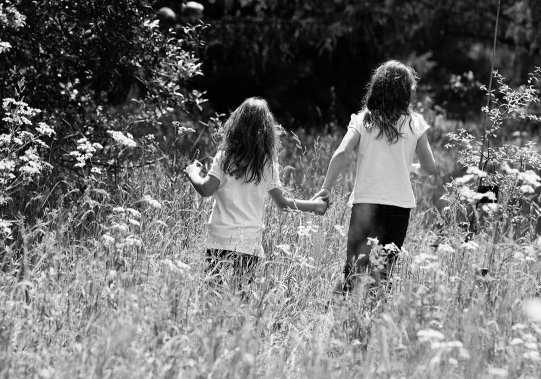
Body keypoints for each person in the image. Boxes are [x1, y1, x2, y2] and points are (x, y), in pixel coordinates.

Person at [312, 60, 437, 293]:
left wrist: (327, 187)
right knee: (383, 274)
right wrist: (410, 168)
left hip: (365, 204)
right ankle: (375, 323)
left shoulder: (363, 120)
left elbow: (341, 153)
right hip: (398, 207)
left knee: (354, 270)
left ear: (376, 88)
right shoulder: (415, 123)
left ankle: (345, 321)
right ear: (406, 93)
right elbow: (430, 168)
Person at [185, 97, 327, 285]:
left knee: (213, 293)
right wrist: (315, 205)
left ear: (235, 125)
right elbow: (282, 204)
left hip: (219, 239)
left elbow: (205, 190)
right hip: (248, 244)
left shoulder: (225, 158)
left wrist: (192, 172)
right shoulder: (267, 164)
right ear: (267, 132)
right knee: (241, 298)